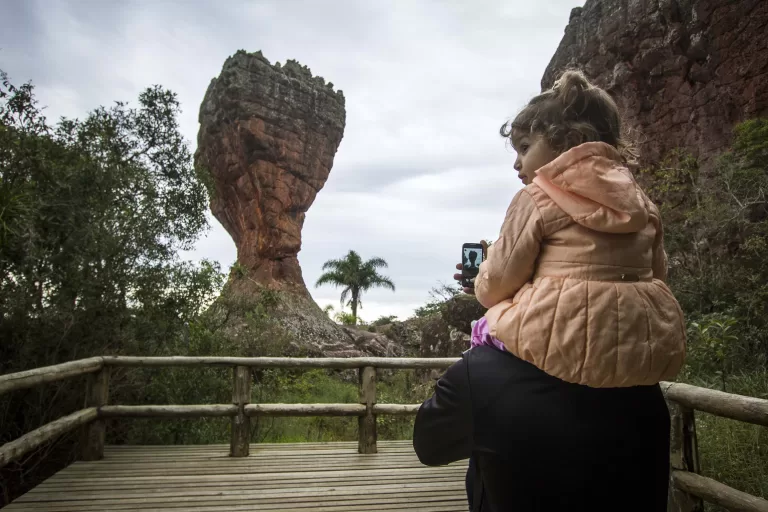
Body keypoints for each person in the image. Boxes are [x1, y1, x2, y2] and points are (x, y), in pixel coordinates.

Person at [413, 70, 686, 512]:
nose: (517, 163)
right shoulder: (642, 204)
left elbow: (497, 283)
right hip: (631, 340)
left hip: (549, 331)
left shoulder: (538, 198)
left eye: (524, 149)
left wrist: (488, 277)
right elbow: (655, 274)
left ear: (562, 143)